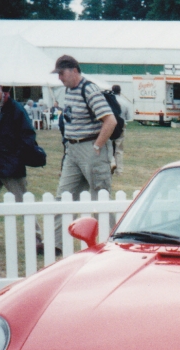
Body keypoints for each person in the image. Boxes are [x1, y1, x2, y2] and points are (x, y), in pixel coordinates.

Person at [0, 75, 46, 247]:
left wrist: (16, 157)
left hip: (11, 167)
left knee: (23, 204)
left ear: (1, 88)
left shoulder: (15, 109)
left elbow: (28, 135)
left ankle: (37, 240)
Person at [53, 55, 115, 242]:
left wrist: (97, 146)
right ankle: (56, 243)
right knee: (63, 196)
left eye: (61, 73)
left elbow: (110, 120)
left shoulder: (89, 90)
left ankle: (112, 240)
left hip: (90, 148)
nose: (59, 78)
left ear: (74, 70)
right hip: (72, 150)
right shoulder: (68, 91)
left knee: (100, 197)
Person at [110, 85, 130, 175]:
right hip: (121, 126)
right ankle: (120, 170)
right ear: (120, 91)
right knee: (119, 149)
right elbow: (128, 118)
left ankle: (112, 162)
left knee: (109, 147)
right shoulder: (125, 102)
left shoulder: (109, 101)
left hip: (110, 126)